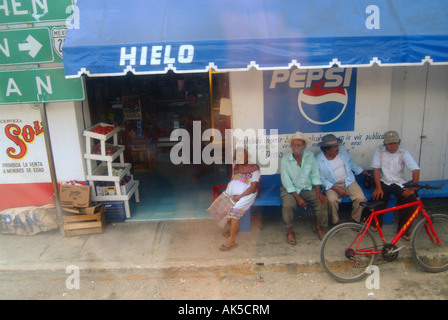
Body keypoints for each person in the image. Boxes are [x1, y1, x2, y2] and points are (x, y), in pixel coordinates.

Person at [370, 130, 420, 240]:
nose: (393, 146)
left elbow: (415, 169)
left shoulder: (404, 152)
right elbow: (376, 169)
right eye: (390, 144)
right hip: (384, 181)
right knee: (377, 197)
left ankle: (403, 229)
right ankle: (375, 223)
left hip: (399, 182)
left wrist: (414, 189)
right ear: (385, 143)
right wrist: (378, 187)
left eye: (395, 143)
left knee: (411, 201)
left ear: (398, 143)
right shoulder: (379, 150)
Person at [280, 132, 328, 243]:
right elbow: (287, 183)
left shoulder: (310, 156)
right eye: (293, 145)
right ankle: (290, 231)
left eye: (298, 145)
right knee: (287, 205)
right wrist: (298, 199)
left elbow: (315, 174)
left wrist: (318, 192)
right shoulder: (285, 160)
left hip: (307, 187)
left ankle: (319, 227)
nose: (295, 148)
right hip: (291, 190)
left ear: (304, 146)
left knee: (322, 201)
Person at [316, 134, 370, 224]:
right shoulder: (319, 160)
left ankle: (354, 219)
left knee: (361, 199)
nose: (338, 148)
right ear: (326, 149)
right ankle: (335, 222)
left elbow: (351, 163)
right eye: (335, 147)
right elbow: (321, 179)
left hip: (348, 181)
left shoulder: (342, 152)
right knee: (331, 201)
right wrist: (337, 189)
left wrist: (361, 171)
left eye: (337, 145)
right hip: (332, 185)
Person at [220, 148, 260, 251]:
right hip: (235, 194)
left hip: (247, 195)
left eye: (242, 155)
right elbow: (234, 181)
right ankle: (235, 227)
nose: (240, 158)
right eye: (237, 156)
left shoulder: (253, 168)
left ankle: (232, 240)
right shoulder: (236, 167)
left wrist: (239, 197)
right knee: (220, 208)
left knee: (234, 210)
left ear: (247, 156)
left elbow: (253, 187)